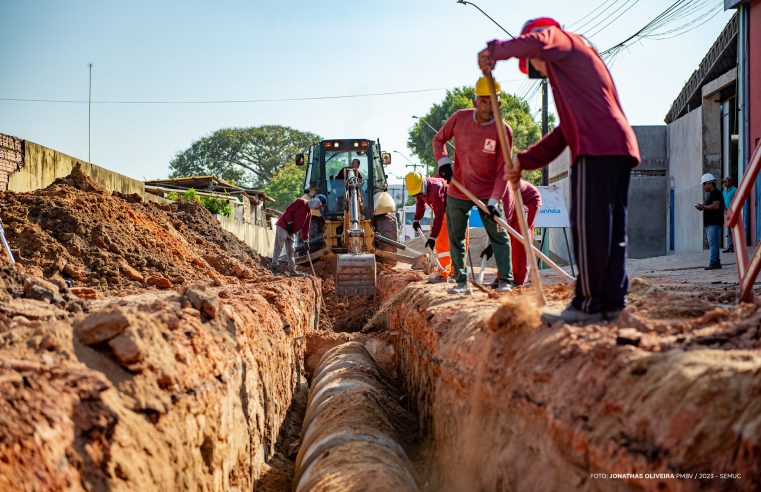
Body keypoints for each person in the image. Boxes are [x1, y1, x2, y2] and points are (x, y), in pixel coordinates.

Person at [478, 17, 640, 323]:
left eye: (535, 65)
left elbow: (539, 41)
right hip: (619, 146)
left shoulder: (562, 41)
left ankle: (590, 305)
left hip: (595, 148)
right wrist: (523, 161)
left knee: (590, 228)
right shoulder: (577, 74)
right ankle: (611, 302)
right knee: (611, 231)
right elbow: (563, 133)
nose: (540, 70)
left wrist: (494, 51)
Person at [433, 76, 514, 295]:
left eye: (494, 101)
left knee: (499, 234)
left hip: (488, 193)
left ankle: (506, 280)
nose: (489, 106)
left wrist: (495, 200)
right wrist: (444, 163)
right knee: (456, 237)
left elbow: (503, 169)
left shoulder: (503, 130)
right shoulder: (460, 119)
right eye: (485, 101)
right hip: (459, 189)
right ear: (475, 102)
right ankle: (461, 282)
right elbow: (438, 140)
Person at [481, 179, 541, 286]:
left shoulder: (505, 187)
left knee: (519, 239)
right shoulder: (487, 187)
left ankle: (518, 279)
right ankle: (503, 277)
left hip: (528, 202)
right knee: (505, 240)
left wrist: (492, 244)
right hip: (515, 204)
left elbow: (504, 221)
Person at [405, 171, 455, 282]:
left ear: (423, 182)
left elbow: (439, 215)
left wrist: (432, 237)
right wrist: (416, 219)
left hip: (455, 211)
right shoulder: (421, 190)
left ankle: (448, 273)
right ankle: (449, 272)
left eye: (419, 193)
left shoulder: (436, 189)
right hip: (446, 212)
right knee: (444, 244)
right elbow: (420, 203)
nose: (418, 195)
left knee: (452, 242)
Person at [272, 194, 326, 274]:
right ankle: (274, 264)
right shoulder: (301, 202)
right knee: (279, 245)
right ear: (315, 199)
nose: (316, 206)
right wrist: (290, 222)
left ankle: (292, 270)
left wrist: (306, 241)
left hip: (291, 231)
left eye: (318, 206)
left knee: (291, 251)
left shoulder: (309, 214)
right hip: (283, 226)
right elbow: (289, 210)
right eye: (318, 203)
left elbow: (305, 228)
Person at [696, 173, 723, 270]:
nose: (703, 186)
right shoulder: (711, 194)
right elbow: (711, 206)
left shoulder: (716, 192)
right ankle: (716, 262)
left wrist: (704, 207)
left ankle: (714, 262)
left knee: (713, 243)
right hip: (710, 224)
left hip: (714, 223)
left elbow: (716, 206)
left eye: (704, 184)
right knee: (712, 243)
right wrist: (703, 207)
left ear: (710, 183)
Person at [722, 176, 737, 253]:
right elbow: (723, 201)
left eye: (726, 182)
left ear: (730, 182)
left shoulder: (735, 190)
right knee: (729, 230)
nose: (724, 183)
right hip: (727, 212)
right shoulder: (724, 191)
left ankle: (735, 246)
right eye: (724, 182)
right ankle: (730, 246)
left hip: (734, 211)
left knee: (734, 230)